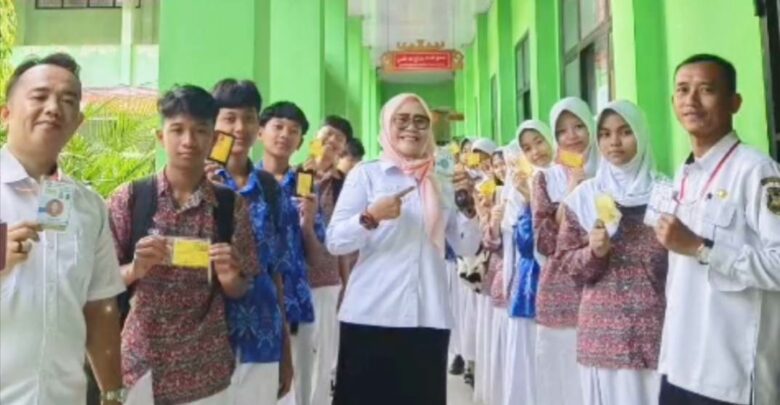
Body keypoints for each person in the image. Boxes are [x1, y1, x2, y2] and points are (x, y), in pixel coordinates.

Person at [107, 85, 259, 404]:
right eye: (177, 130)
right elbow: (101, 281)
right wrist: (135, 269)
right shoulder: (131, 198)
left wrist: (230, 277)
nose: (188, 141)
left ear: (214, 139)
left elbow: (241, 287)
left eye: (200, 131)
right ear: (160, 137)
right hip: (139, 365)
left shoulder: (230, 206)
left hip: (206, 371)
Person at [326, 93, 481, 405]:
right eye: (402, 119)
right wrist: (370, 217)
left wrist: (467, 206)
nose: (412, 127)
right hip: (371, 313)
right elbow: (335, 241)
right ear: (387, 124)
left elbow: (466, 246)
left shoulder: (443, 179)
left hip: (428, 315)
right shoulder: (366, 174)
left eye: (421, 121)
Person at [0, 53, 125, 405]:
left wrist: (113, 394)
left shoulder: (89, 207)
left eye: (68, 100)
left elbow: (100, 307)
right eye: (39, 96)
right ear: (6, 113)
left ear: (78, 122)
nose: (54, 108)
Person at [655, 54, 780, 405]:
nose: (691, 101)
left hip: (730, 376)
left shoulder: (757, 171)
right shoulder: (683, 175)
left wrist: (702, 247)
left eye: (706, 90)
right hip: (679, 362)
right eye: (683, 90)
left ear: (734, 102)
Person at [558, 100, 667, 405]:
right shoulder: (584, 197)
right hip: (602, 336)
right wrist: (594, 253)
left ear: (641, 134)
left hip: (656, 334)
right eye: (605, 134)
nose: (614, 142)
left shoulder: (666, 194)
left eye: (625, 132)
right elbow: (568, 265)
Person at [207, 78, 293, 404]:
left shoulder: (271, 191)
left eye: (249, 118)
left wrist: (285, 351)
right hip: (204, 341)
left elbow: (277, 273)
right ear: (213, 123)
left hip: (262, 336)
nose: (240, 128)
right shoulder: (192, 183)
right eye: (229, 118)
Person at [255, 101, 325, 405]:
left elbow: (317, 258)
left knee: (299, 390)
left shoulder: (305, 187)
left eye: (293, 131)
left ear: (300, 141)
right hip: (253, 304)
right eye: (278, 127)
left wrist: (307, 225)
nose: (285, 135)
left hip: (297, 303)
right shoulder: (241, 183)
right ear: (260, 132)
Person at [532, 97, 598, 405]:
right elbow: (545, 242)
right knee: (563, 384)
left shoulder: (613, 170)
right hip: (561, 295)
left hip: (605, 294)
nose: (571, 136)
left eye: (579, 126)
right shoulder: (546, 178)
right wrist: (572, 191)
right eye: (561, 131)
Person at [503, 119, 555, 405]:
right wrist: (529, 199)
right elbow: (524, 243)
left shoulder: (570, 178)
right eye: (527, 148)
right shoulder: (522, 188)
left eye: (539, 142)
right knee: (532, 362)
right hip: (530, 284)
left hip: (564, 284)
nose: (536, 152)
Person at [303, 115, 354, 405]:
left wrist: (346, 283)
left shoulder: (343, 185)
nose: (332, 141)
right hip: (293, 279)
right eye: (328, 134)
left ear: (343, 150)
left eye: (339, 139)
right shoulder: (294, 175)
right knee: (297, 354)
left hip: (326, 279)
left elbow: (344, 241)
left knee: (323, 353)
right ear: (315, 138)